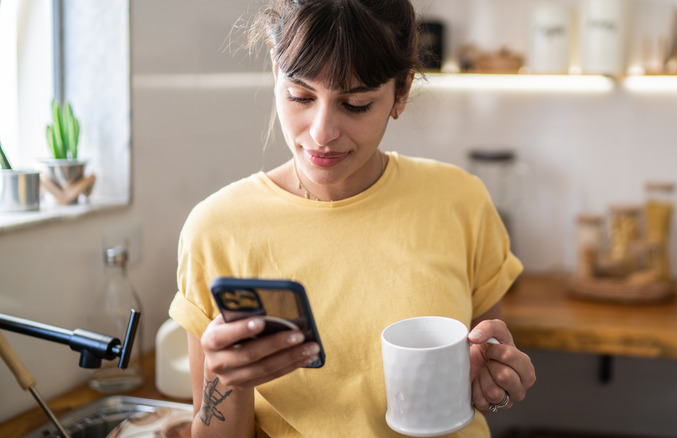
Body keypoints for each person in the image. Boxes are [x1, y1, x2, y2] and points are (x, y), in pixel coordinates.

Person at [168, 0, 536, 436]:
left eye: (356, 104)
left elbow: (480, 364)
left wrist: (494, 378)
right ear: (274, 72)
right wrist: (225, 379)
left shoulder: (461, 200)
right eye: (300, 96)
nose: (322, 132)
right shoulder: (216, 230)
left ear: (402, 92)